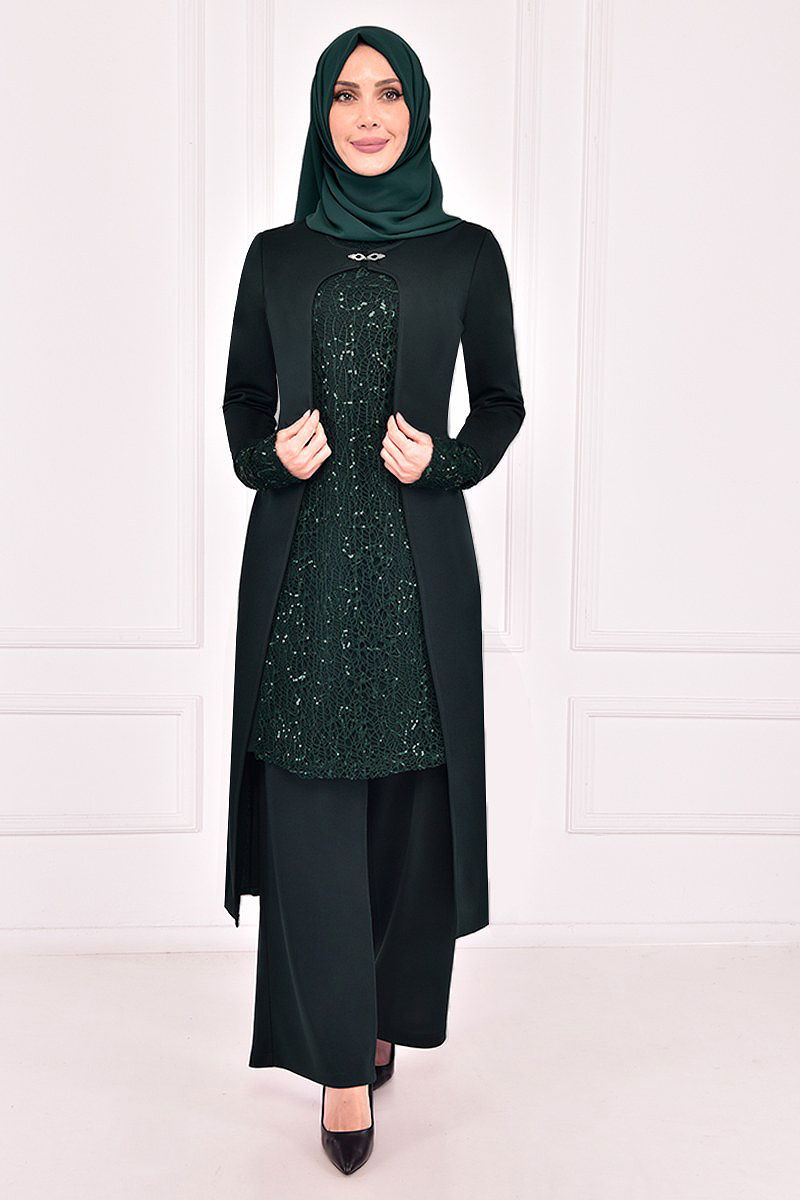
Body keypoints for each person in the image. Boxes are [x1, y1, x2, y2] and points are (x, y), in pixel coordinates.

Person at [221, 25, 525, 1174]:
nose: (365, 113)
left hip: (412, 582)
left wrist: (445, 461)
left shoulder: (466, 255)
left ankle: (383, 1014)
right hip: (302, 580)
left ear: (415, 110)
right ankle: (340, 1070)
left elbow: (499, 401)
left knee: (403, 823)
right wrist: (270, 455)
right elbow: (241, 402)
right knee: (308, 821)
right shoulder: (275, 257)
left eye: (386, 93)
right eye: (344, 94)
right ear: (319, 112)